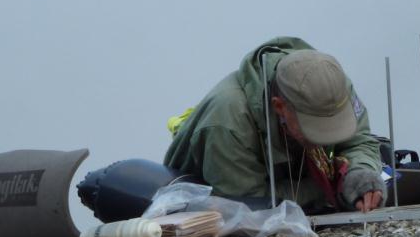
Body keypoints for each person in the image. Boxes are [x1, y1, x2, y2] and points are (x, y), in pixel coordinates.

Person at [164, 37, 386, 214]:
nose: (325, 139)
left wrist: (360, 174)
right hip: (207, 201)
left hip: (290, 186)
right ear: (279, 106)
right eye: (315, 129)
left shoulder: (333, 86)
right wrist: (330, 187)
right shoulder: (227, 122)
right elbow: (248, 204)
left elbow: (360, 140)